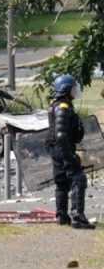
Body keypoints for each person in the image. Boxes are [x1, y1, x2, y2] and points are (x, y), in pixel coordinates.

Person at [46, 74, 95, 229]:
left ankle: (62, 216)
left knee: (62, 183)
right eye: (73, 88)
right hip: (63, 148)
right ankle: (77, 217)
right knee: (78, 179)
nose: (75, 91)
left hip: (56, 149)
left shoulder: (57, 105)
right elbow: (61, 134)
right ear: (66, 90)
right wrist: (70, 156)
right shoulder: (63, 107)